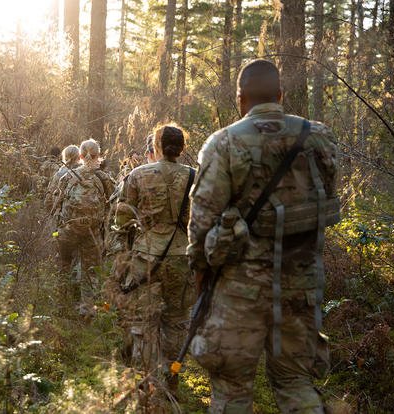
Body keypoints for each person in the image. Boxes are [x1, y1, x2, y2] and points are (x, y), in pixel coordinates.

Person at [187, 59, 339, 412]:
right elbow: (325, 201)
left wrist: (200, 283)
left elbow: (201, 224)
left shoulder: (223, 143)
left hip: (238, 293)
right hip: (301, 286)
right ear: (281, 95)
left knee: (231, 388)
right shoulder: (319, 137)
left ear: (240, 99)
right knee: (296, 382)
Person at [113, 125, 196, 407]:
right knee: (176, 321)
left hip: (145, 257)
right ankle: (172, 377)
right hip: (180, 256)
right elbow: (199, 220)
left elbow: (122, 221)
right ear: (182, 148)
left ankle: (145, 383)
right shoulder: (193, 177)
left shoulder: (137, 175)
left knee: (144, 322)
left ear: (157, 146)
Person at [52, 139, 114, 316]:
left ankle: (61, 307)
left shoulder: (67, 176)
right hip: (92, 233)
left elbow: (56, 203)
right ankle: (87, 311)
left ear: (79, 156)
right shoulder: (104, 179)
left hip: (67, 231)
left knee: (63, 266)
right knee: (90, 272)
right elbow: (114, 204)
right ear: (99, 156)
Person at [45, 145, 81, 211]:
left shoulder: (59, 173)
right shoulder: (84, 173)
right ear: (79, 157)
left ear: (64, 157)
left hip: (62, 215)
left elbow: (48, 199)